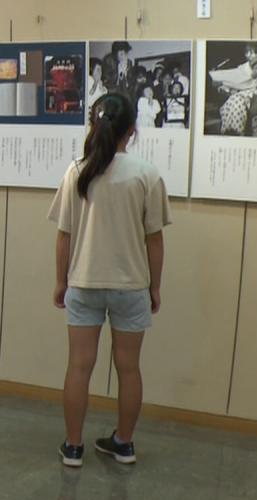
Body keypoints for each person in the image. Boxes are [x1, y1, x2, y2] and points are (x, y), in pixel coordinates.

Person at [49, 92, 170, 467]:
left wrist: (60, 282)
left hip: (83, 282)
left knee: (78, 366)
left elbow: (64, 234)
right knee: (129, 368)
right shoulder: (146, 175)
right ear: (131, 130)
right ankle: (124, 443)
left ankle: (73, 447)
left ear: (94, 124)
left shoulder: (77, 171)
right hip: (131, 285)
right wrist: (154, 286)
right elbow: (154, 238)